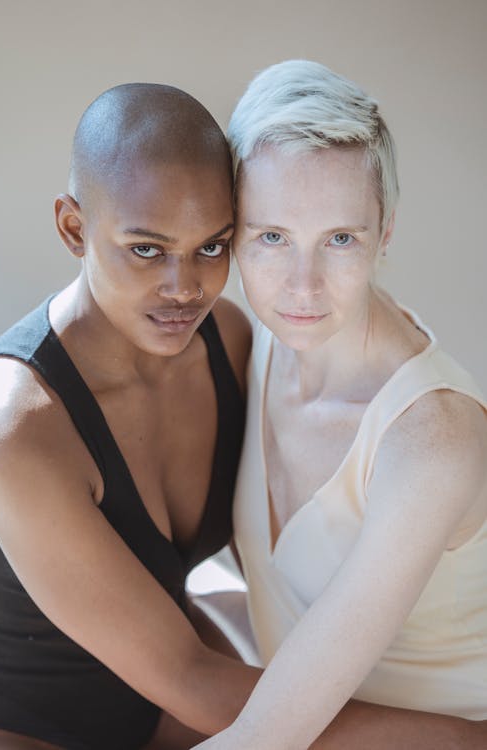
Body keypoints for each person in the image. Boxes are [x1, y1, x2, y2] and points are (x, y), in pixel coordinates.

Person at [193, 60, 487, 749]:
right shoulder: (253, 348)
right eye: (271, 238)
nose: (303, 286)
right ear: (233, 232)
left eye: (340, 240)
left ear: (385, 234)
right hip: (315, 719)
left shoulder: (432, 440)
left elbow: (263, 738)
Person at [0, 82, 260, 750]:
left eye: (213, 246)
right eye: (147, 249)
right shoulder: (13, 428)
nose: (185, 286)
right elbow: (195, 678)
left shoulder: (226, 338)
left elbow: (281, 565)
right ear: (74, 228)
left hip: (166, 710)